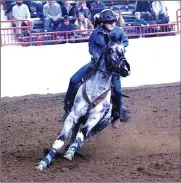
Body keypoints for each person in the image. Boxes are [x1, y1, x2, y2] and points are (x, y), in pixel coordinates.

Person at [60, 9, 131, 124]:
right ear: (103, 22)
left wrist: (119, 47)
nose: (112, 23)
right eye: (109, 22)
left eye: (113, 21)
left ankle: (118, 114)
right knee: (73, 80)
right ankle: (67, 108)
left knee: (117, 90)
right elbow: (91, 48)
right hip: (95, 64)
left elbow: (126, 42)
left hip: (113, 67)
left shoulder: (119, 32)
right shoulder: (95, 33)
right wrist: (97, 56)